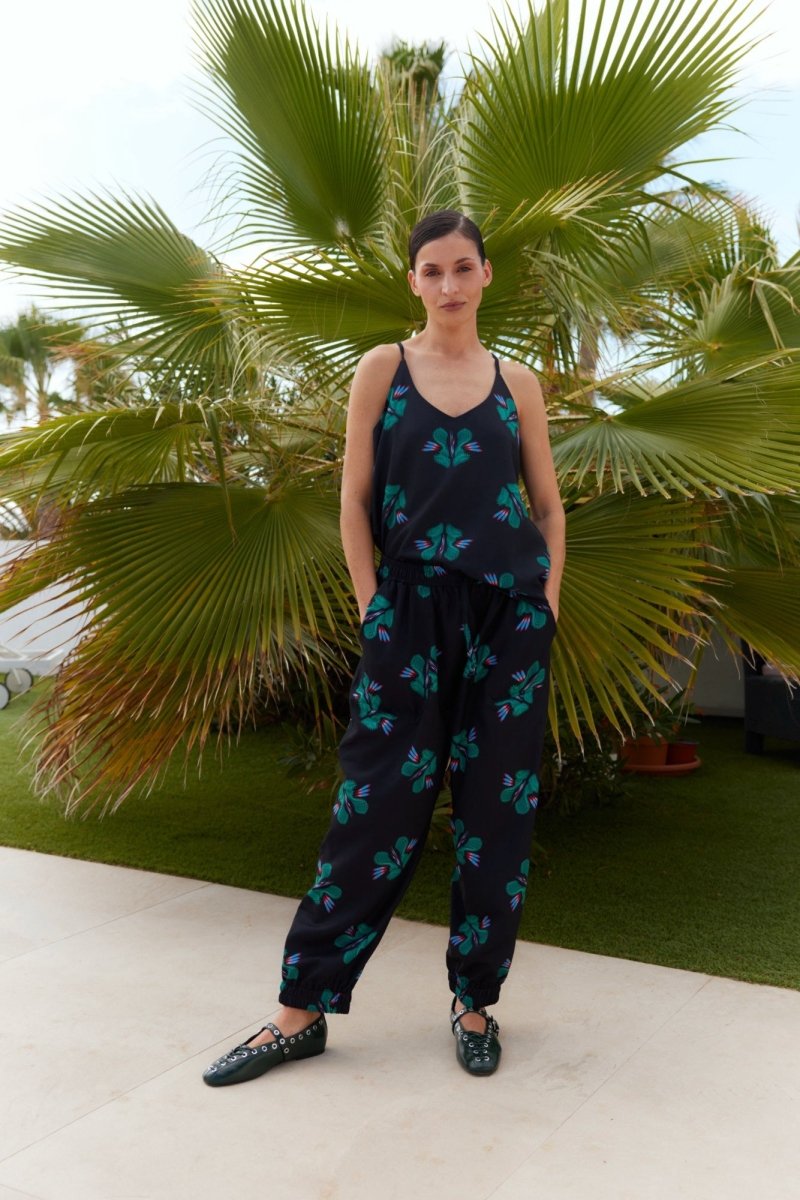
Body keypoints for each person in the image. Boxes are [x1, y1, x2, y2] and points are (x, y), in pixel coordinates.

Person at [203, 208, 565, 1087]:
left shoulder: (517, 382)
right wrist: (373, 609)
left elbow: (549, 506)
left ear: (486, 275)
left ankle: (474, 1003)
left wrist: (544, 606)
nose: (449, 284)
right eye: (432, 270)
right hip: (407, 616)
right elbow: (355, 501)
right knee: (373, 812)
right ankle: (300, 1012)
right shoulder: (382, 369)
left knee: (496, 820)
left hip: (508, 622)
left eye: (463, 267)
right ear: (414, 280)